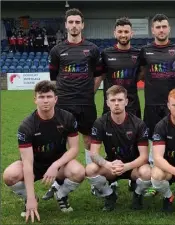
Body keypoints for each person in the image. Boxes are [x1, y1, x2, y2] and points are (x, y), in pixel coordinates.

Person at [3, 80, 85, 222]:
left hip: (58, 164)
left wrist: (55, 165)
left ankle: (61, 194)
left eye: (49, 96)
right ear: (35, 100)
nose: (45, 100)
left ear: (56, 99)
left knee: (79, 172)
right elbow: (27, 163)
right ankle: (31, 199)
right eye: (41, 97)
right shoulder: (27, 126)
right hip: (35, 164)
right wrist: (30, 197)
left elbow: (74, 149)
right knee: (9, 175)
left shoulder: (67, 118)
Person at [45, 8, 102, 198]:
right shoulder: (57, 50)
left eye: (78, 22)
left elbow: (98, 74)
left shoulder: (92, 49)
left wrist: (89, 92)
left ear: (82, 25)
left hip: (85, 103)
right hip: (63, 103)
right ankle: (57, 181)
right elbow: (54, 78)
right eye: (71, 22)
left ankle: (93, 179)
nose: (74, 25)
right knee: (60, 141)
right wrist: (56, 98)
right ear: (66, 24)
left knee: (88, 140)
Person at [138, 14, 175, 197]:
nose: (161, 30)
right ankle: (156, 181)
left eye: (164, 26)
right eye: (158, 27)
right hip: (152, 104)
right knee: (155, 143)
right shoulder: (145, 51)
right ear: (153, 30)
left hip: (174, 104)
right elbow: (140, 74)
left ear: (169, 29)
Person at [85, 85, 151, 211]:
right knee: (90, 169)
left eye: (120, 100)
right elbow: (93, 153)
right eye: (113, 100)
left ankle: (137, 195)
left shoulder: (138, 123)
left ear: (126, 102)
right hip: (111, 167)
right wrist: (108, 164)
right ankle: (110, 195)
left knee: (148, 172)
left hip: (133, 167)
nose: (116, 104)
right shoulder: (100, 123)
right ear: (107, 103)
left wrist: (126, 166)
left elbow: (144, 156)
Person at [95, 17, 142, 118]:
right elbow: (99, 77)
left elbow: (142, 74)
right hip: (111, 107)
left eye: (126, 31)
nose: (123, 35)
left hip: (132, 107)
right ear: (114, 33)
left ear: (131, 33)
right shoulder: (106, 54)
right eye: (120, 31)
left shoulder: (138, 54)